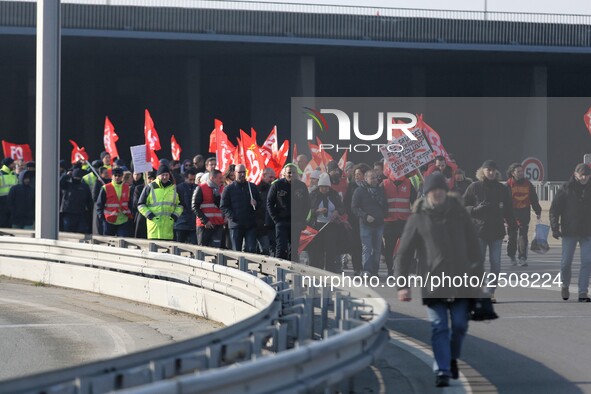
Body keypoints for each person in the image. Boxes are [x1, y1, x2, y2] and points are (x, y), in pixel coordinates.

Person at [395, 173, 484, 387]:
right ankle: (442, 369)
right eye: (433, 190)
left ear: (446, 191)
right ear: (426, 193)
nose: (437, 193)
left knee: (460, 326)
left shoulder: (460, 214)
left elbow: (475, 248)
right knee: (439, 326)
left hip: (461, 281)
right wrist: (402, 285)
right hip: (433, 283)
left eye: (441, 189)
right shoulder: (418, 218)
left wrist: (477, 278)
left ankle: (450, 358)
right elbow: (403, 254)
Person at [463, 160, 516, 302]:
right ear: (482, 171)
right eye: (488, 170)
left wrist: (513, 225)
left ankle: (491, 291)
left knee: (496, 264)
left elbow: (509, 210)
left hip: (497, 232)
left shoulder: (503, 189)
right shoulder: (474, 187)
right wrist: (474, 210)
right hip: (478, 231)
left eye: (493, 170)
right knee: (478, 263)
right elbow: (463, 206)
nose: (491, 173)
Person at [550, 163, 591, 302]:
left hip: (587, 231)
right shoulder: (566, 188)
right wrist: (555, 227)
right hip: (569, 231)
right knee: (566, 262)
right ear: (575, 174)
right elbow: (554, 209)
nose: (584, 177)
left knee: (587, 261)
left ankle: (583, 292)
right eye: (582, 174)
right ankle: (565, 285)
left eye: (587, 174)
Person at [268, 163, 310, 261]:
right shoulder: (277, 185)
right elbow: (269, 203)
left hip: (296, 223)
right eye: (289, 173)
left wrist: (302, 220)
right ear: (285, 173)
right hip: (281, 222)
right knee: (281, 248)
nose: (291, 175)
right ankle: (279, 270)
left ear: (297, 174)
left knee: (294, 249)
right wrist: (276, 219)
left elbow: (307, 205)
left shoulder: (302, 186)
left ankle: (293, 272)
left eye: (294, 173)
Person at [307, 173, 346, 272]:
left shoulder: (334, 194)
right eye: (322, 187)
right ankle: (316, 270)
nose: (324, 189)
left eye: (326, 187)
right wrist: (316, 211)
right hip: (317, 226)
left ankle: (330, 270)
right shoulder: (313, 195)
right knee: (317, 250)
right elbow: (306, 210)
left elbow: (341, 207)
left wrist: (337, 212)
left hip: (331, 225)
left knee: (331, 249)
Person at [505, 163, 542, 266]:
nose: (521, 173)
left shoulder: (528, 184)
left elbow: (533, 198)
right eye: (518, 171)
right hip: (511, 213)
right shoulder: (508, 185)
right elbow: (504, 200)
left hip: (524, 212)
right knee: (512, 236)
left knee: (523, 235)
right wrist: (503, 214)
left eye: (522, 171)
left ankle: (522, 257)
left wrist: (537, 210)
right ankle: (512, 255)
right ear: (513, 173)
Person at [351, 169, 387, 276]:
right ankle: (366, 270)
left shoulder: (380, 190)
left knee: (377, 249)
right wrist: (365, 216)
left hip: (379, 224)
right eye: (372, 178)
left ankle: (375, 271)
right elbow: (354, 208)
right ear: (366, 178)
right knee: (367, 248)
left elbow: (385, 204)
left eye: (376, 177)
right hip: (366, 224)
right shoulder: (359, 191)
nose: (375, 180)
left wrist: (383, 214)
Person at [221, 164, 261, 253]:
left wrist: (256, 203)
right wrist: (234, 218)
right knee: (237, 251)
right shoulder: (228, 189)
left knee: (251, 249)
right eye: (240, 172)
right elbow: (223, 206)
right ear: (235, 173)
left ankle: (249, 266)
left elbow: (260, 202)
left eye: (244, 172)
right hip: (236, 225)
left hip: (250, 224)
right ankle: (238, 266)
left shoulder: (252, 187)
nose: (242, 174)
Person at [382, 174, 417, 277]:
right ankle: (390, 270)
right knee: (389, 249)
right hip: (389, 221)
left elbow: (414, 201)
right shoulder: (384, 184)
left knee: (406, 248)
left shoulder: (408, 183)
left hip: (404, 221)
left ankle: (406, 270)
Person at [137, 165, 183, 241]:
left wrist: (175, 216)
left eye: (167, 175)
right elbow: (140, 204)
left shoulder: (174, 188)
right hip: (154, 228)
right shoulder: (150, 187)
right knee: (153, 252)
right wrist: (150, 215)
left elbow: (180, 205)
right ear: (158, 176)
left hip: (168, 229)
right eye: (163, 175)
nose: (165, 177)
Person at [344, 163, 371, 276]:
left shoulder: (370, 186)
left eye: (359, 174)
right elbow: (346, 203)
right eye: (355, 174)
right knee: (356, 245)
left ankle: (367, 269)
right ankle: (357, 268)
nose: (356, 176)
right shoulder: (351, 186)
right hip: (354, 220)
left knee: (367, 245)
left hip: (368, 220)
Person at [96, 167, 133, 237]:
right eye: (115, 175)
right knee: (109, 243)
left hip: (123, 220)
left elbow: (130, 203)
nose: (117, 177)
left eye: (119, 175)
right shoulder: (105, 187)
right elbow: (99, 205)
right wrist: (103, 218)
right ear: (111, 176)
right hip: (109, 220)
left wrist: (130, 215)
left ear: (122, 177)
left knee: (122, 243)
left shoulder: (127, 188)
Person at [193, 169, 225, 247]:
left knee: (217, 251)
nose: (222, 180)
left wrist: (226, 218)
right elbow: (195, 206)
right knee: (203, 250)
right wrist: (205, 221)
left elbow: (225, 206)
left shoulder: (223, 189)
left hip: (218, 224)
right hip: (204, 225)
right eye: (219, 178)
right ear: (212, 178)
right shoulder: (201, 188)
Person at [59, 168, 94, 233]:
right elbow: (59, 183)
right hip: (68, 213)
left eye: (78, 178)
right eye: (75, 177)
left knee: (81, 232)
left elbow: (89, 201)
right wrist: (66, 175)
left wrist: (90, 212)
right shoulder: (67, 185)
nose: (77, 179)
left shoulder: (84, 186)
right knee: (68, 232)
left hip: (80, 213)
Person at [174, 169, 197, 244]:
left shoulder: (197, 187)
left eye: (194, 180)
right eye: (190, 180)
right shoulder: (179, 188)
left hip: (193, 223)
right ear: (185, 178)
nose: (192, 182)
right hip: (181, 222)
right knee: (179, 245)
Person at [256, 168, 276, 255]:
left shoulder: (272, 188)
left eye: (273, 178)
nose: (272, 179)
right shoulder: (254, 188)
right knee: (249, 248)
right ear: (263, 175)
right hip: (255, 224)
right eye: (270, 177)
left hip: (267, 224)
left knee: (266, 249)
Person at [133, 171, 156, 239]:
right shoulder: (139, 188)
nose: (151, 180)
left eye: (153, 178)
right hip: (142, 218)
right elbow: (136, 204)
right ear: (145, 178)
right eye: (149, 178)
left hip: (154, 218)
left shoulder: (158, 189)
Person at [0, 157, 18, 227]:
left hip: (13, 201)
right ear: (8, 164)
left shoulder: (14, 174)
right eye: (13, 163)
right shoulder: (0, 174)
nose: (14, 165)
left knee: (10, 222)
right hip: (2, 201)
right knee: (3, 221)